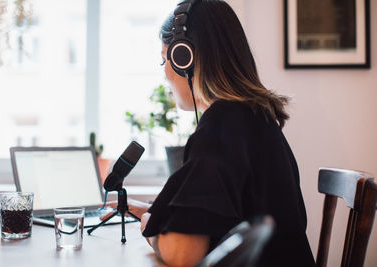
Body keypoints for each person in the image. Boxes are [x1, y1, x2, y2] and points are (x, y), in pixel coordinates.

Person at [102, 0, 315, 266]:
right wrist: (152, 211)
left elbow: (183, 254)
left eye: (163, 60)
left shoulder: (221, 129)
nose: (165, 73)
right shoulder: (251, 117)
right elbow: (226, 214)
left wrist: (148, 225)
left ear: (184, 58)